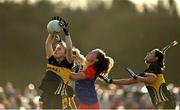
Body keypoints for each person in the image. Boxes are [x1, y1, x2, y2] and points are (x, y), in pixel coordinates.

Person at [109, 41, 178, 109]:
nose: (148, 53)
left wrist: (137, 77)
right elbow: (128, 81)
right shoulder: (148, 71)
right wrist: (111, 81)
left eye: (150, 53)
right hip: (164, 103)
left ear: (155, 58)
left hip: (165, 102)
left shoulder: (154, 66)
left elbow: (151, 80)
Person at [38, 16, 76, 109]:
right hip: (47, 96)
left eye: (59, 49)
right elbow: (48, 43)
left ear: (65, 53)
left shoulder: (68, 63)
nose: (56, 50)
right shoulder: (52, 61)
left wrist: (67, 33)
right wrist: (52, 30)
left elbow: (69, 48)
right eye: (56, 49)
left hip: (58, 97)